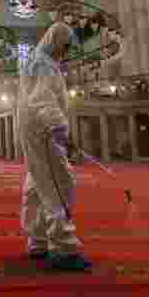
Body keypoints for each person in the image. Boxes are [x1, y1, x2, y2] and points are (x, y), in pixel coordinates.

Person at [18, 22, 92, 272]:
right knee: (61, 182)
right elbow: (42, 99)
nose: (66, 53)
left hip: (35, 129)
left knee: (38, 184)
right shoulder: (44, 65)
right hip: (43, 130)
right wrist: (59, 128)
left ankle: (38, 240)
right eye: (65, 47)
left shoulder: (38, 61)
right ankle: (63, 247)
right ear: (56, 42)